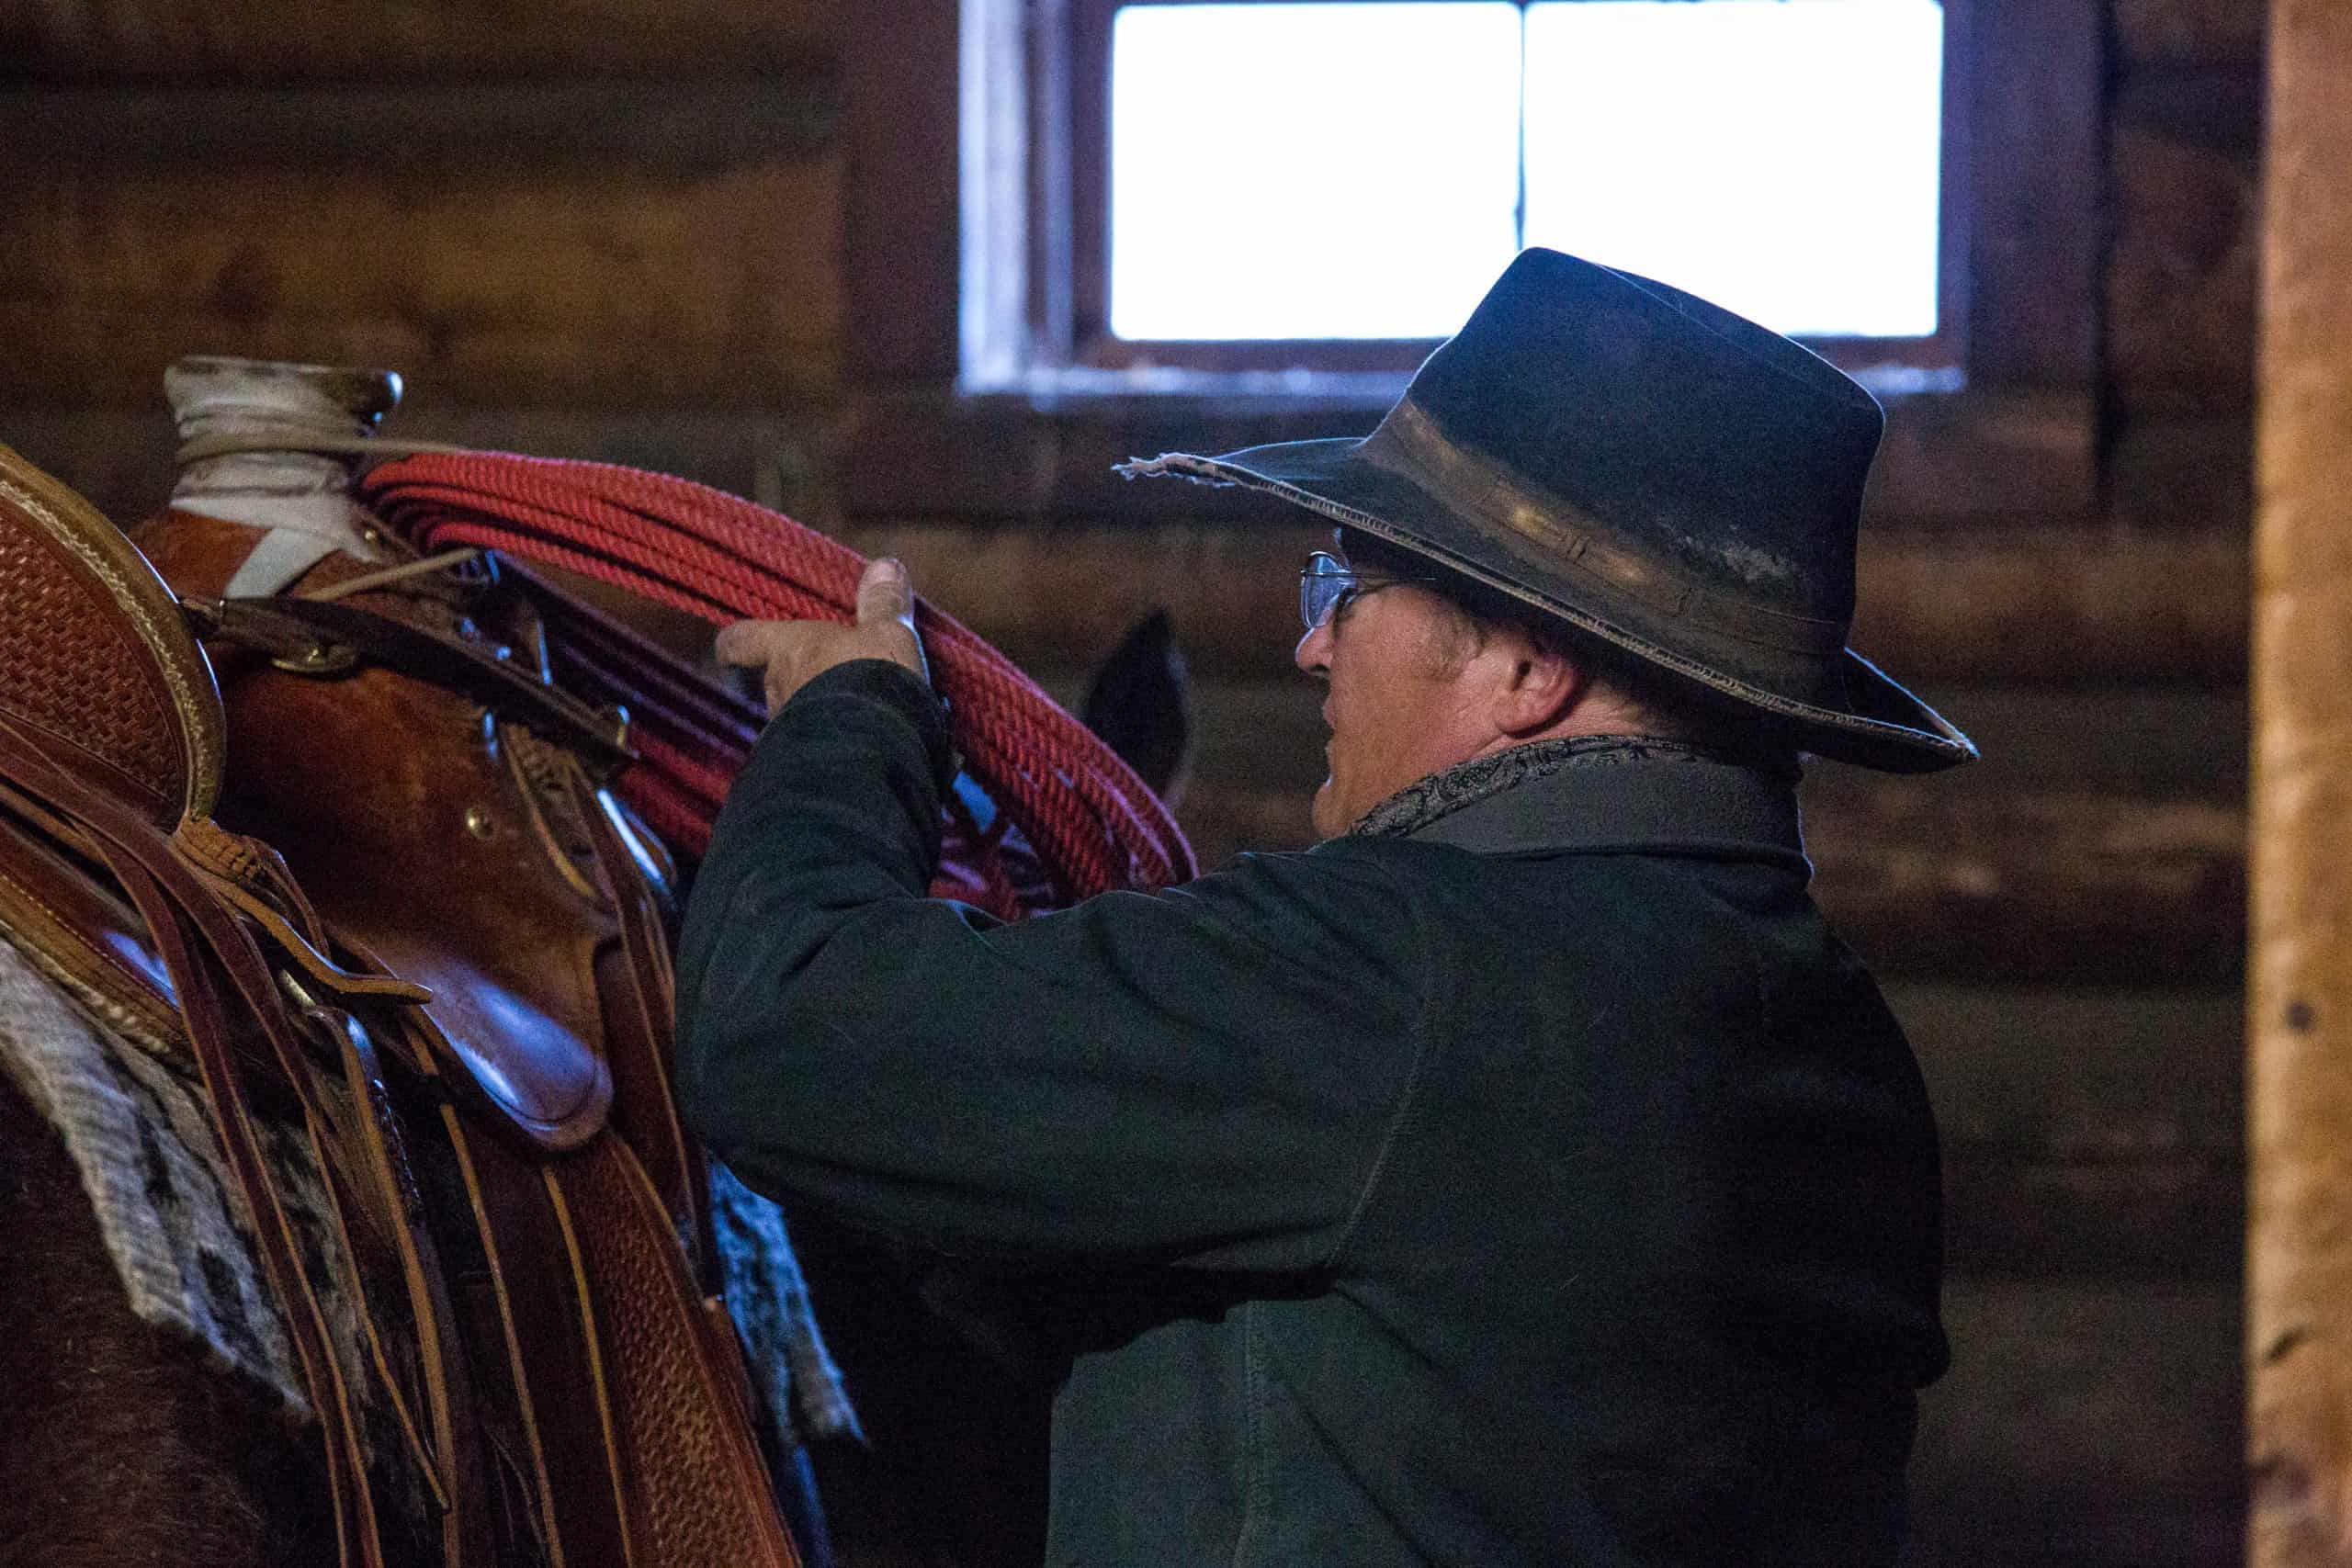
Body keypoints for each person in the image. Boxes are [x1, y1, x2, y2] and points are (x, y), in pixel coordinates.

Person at [677, 247, 1973, 1567]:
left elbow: (782, 1024)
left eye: (1349, 590)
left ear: (1528, 668)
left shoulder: (1389, 968)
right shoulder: (1840, 1038)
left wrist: (853, 715)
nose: (1312, 645)